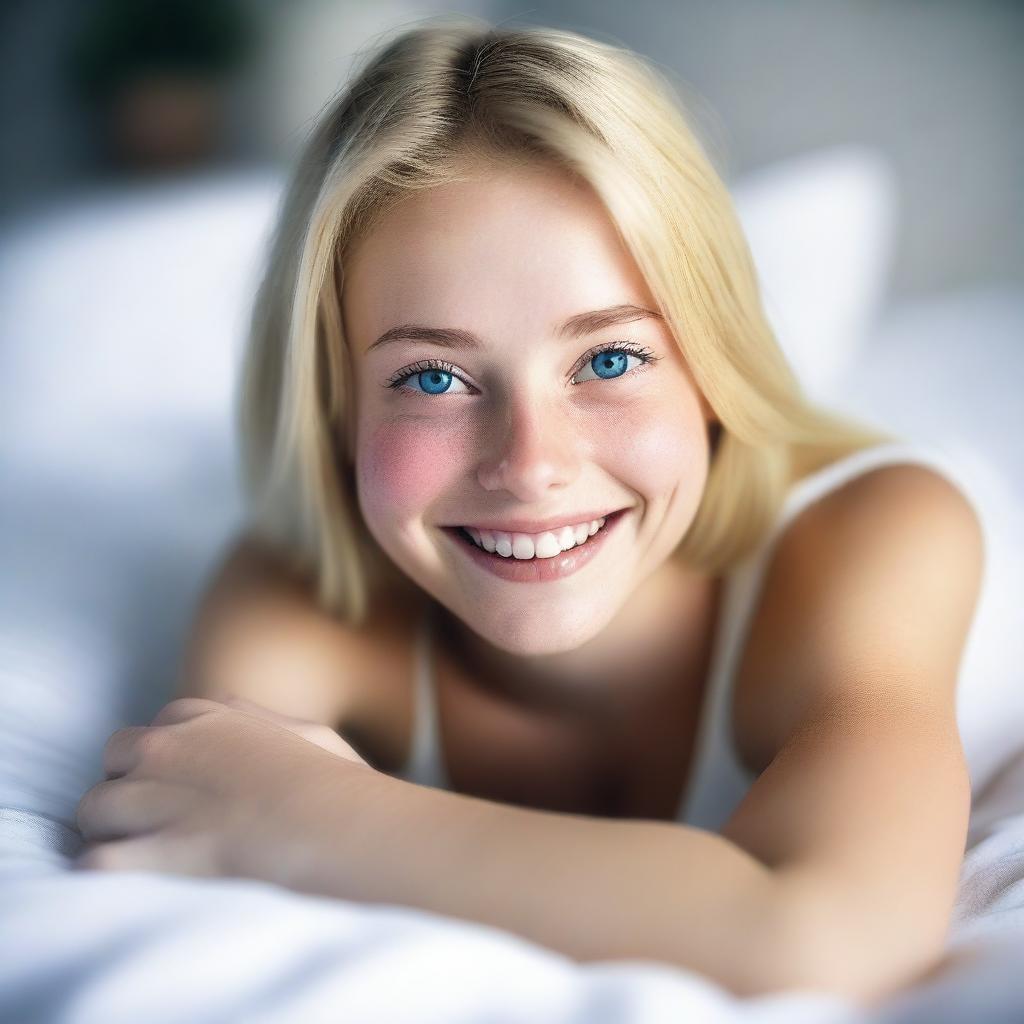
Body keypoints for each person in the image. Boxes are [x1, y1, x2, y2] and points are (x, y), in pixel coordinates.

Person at [76, 16, 985, 1003]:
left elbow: (831, 941)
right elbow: (199, 838)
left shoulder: (877, 533)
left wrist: (316, 816)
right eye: (432, 378)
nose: (529, 465)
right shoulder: (298, 600)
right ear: (334, 407)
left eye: (608, 359)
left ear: (711, 373)